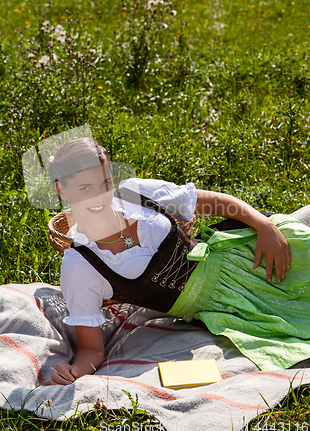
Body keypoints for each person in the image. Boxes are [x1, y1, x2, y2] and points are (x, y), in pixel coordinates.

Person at [46, 137, 310, 385]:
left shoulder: (134, 193)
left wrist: (263, 225)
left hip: (246, 255)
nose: (100, 196)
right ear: (62, 190)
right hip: (226, 307)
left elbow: (215, 203)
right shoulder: (80, 265)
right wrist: (75, 371)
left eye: (105, 183)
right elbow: (91, 349)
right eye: (85, 188)